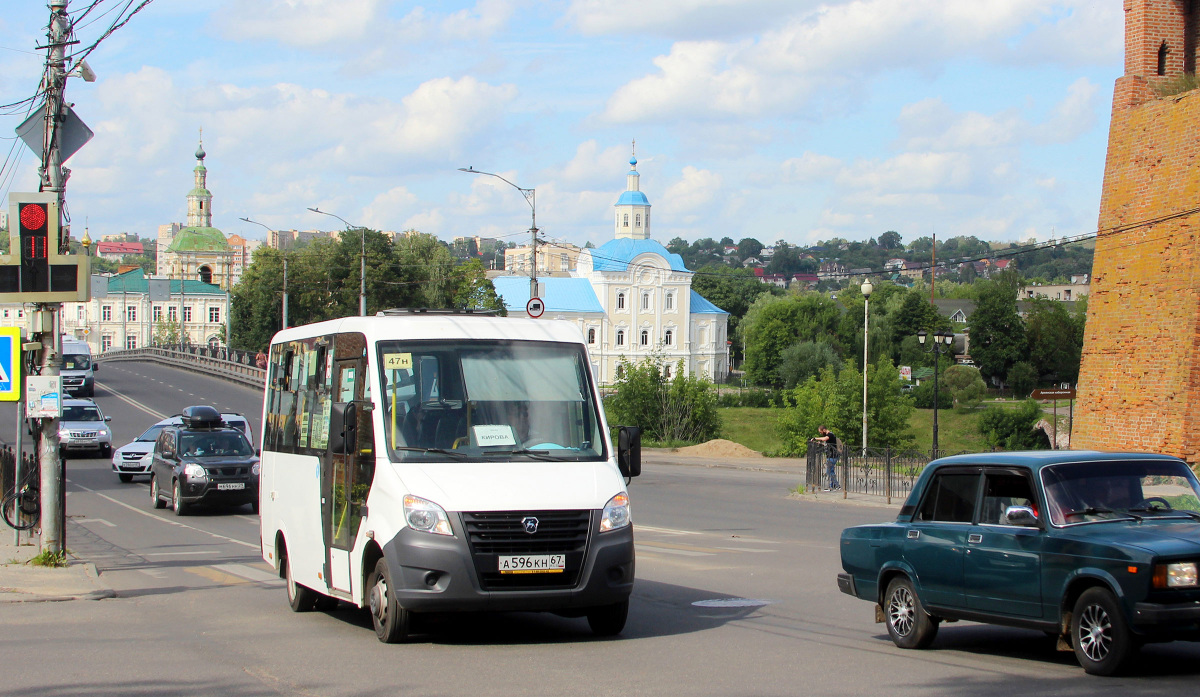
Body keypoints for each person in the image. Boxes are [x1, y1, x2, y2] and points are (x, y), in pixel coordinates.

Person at [813, 426, 841, 491]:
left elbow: (824, 439)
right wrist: (819, 443)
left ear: (824, 430)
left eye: (821, 432)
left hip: (832, 456)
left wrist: (815, 438)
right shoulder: (829, 436)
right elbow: (826, 444)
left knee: (829, 471)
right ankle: (832, 486)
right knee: (831, 471)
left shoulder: (830, 434)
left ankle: (837, 485)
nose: (821, 433)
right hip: (830, 456)